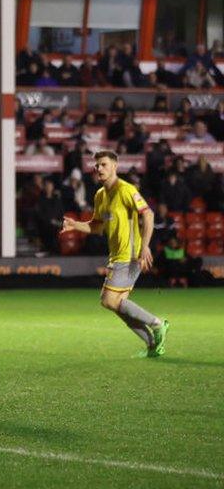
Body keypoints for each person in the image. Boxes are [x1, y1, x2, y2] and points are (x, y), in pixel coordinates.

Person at [61, 151, 169, 357]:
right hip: (117, 256)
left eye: (103, 164)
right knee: (118, 306)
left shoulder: (126, 190)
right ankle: (153, 345)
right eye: (97, 166)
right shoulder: (100, 195)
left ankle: (157, 323)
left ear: (115, 167)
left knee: (108, 300)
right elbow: (97, 226)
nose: (99, 169)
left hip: (129, 256)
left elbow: (148, 214)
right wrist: (75, 225)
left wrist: (145, 246)